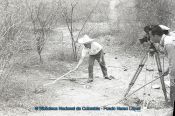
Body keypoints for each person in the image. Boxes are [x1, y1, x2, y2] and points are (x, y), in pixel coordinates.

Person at [150, 26, 175, 116]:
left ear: (156, 35)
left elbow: (173, 62)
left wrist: (172, 80)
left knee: (173, 86)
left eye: (151, 36)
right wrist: (168, 70)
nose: (150, 39)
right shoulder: (167, 41)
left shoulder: (168, 43)